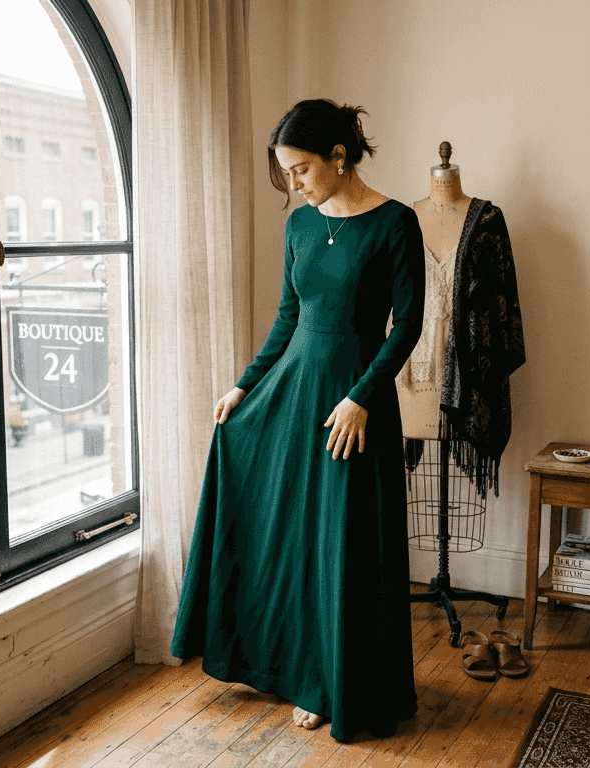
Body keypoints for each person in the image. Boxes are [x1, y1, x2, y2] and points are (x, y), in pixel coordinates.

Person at [170, 99, 425, 742]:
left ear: (339, 157)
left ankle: (339, 683)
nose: (294, 185)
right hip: (295, 393)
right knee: (293, 534)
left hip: (354, 405)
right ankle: (298, 668)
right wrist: (243, 384)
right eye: (286, 172)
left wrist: (363, 396)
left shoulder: (396, 223)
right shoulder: (300, 227)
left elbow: (408, 325)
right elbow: (289, 319)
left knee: (344, 545)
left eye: (303, 170)